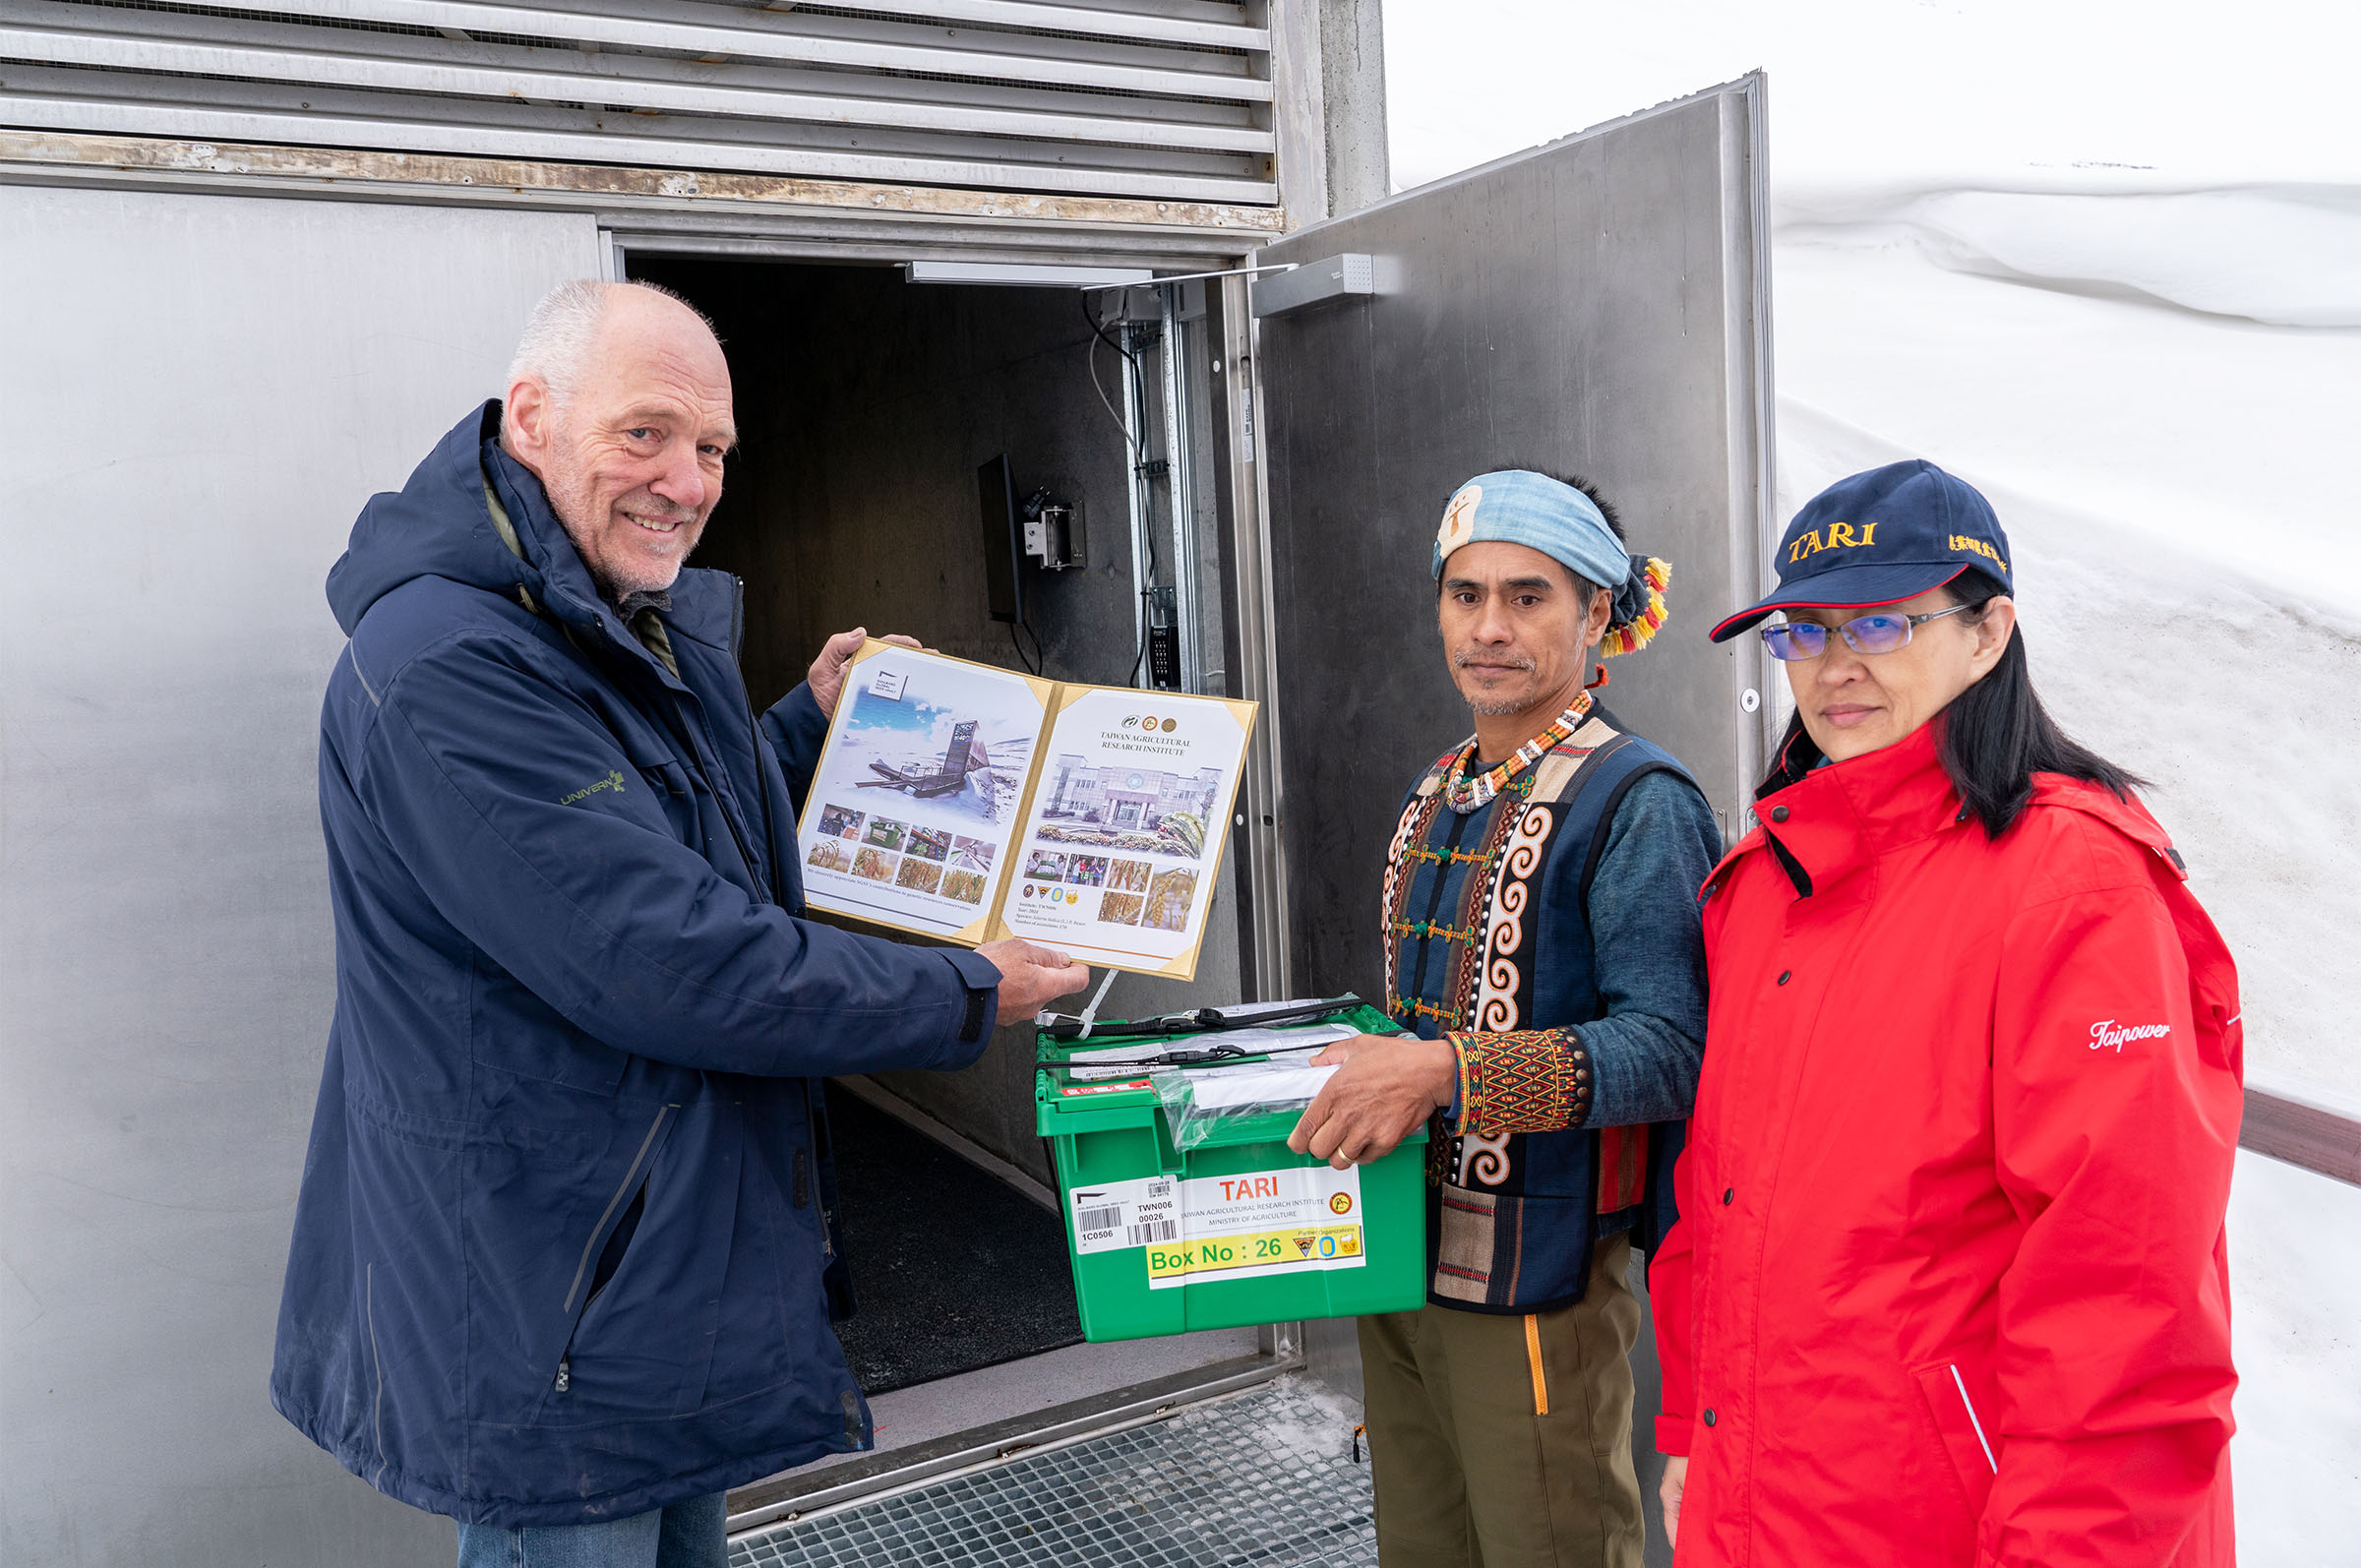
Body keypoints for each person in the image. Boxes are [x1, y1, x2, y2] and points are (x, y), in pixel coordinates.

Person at [270, 279, 1090, 1564]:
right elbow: (666, 955)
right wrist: (966, 991)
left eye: (712, 448)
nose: (688, 479)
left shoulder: (610, 611)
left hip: (649, 1269)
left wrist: (806, 722)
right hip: (560, 1294)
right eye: (646, 432)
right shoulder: (451, 659)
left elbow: (649, 834)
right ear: (532, 414)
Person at [1652, 460, 2242, 1566]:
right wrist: (1694, 1427)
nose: (1835, 668)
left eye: (1881, 620)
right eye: (1804, 633)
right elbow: (1717, 1199)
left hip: (1959, 1525)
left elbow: (2126, 1300)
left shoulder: (2074, 887)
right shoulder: (1769, 878)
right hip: (1768, 1503)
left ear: (1989, 631)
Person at [1289, 469, 1722, 1567]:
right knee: (1423, 1546)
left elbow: (1672, 1049)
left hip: (1538, 1285)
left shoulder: (1640, 800)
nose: (1489, 627)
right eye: (1465, 594)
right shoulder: (1438, 787)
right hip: (1397, 1260)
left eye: (1530, 597)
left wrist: (1443, 1073)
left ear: (1599, 616)